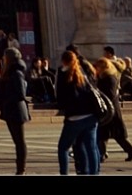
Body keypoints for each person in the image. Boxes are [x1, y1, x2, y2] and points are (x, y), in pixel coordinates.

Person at [51, 47, 103, 176]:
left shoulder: (63, 74)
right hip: (91, 115)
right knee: (90, 147)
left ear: (64, 61)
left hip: (74, 117)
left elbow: (59, 97)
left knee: (63, 147)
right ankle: (93, 173)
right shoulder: (83, 72)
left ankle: (65, 173)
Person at [93, 45, 132, 164]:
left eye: (98, 67)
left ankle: (131, 151)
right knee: (104, 133)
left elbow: (109, 94)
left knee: (112, 134)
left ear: (104, 67)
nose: (96, 69)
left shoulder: (109, 78)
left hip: (110, 110)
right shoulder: (105, 77)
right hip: (109, 109)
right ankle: (103, 154)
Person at [0, 49, 31, 175]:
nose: (3, 59)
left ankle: (21, 169)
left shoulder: (17, 72)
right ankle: (20, 168)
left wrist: (7, 99)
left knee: (20, 141)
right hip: (10, 109)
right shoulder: (10, 71)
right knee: (17, 141)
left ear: (9, 58)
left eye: (4, 56)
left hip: (16, 109)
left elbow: (21, 93)